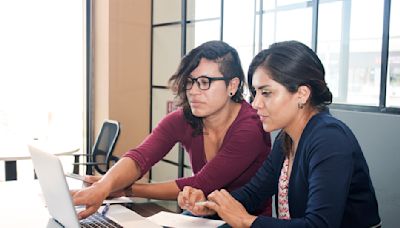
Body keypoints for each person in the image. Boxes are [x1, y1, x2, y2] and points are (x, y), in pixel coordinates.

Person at [178, 40, 381, 228]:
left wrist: (245, 220)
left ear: (302, 94)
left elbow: (319, 225)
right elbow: (254, 193)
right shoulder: (287, 138)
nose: (256, 103)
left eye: (266, 93)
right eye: (254, 93)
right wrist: (210, 206)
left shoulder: (329, 138)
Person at [72, 40, 272, 219]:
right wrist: (105, 185)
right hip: (203, 213)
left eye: (204, 82)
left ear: (233, 85)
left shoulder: (251, 125)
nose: (193, 91)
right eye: (190, 82)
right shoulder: (185, 118)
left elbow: (202, 182)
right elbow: (141, 156)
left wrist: (126, 190)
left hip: (246, 220)